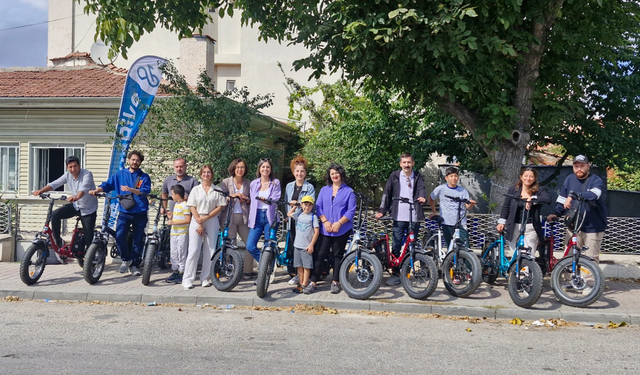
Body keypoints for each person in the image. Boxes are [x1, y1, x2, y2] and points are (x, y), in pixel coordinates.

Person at [90, 150, 151, 276]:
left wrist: (133, 190)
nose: (135, 162)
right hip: (124, 211)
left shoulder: (144, 177)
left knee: (137, 240)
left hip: (140, 212)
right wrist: (97, 190)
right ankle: (126, 259)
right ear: (129, 160)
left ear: (140, 162)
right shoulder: (120, 175)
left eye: (137, 160)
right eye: (133, 159)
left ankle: (134, 265)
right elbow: (107, 185)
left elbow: (145, 190)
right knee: (119, 235)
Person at [32, 155, 98, 263]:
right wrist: (41, 191)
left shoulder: (87, 174)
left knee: (88, 238)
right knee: (55, 214)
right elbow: (54, 184)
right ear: (67, 167)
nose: (73, 169)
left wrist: (76, 197)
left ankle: (91, 258)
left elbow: (84, 188)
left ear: (79, 166)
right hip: (76, 206)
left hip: (88, 208)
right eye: (70, 167)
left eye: (75, 166)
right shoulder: (68, 175)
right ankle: (58, 241)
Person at [375, 153, 427, 286]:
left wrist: (422, 197)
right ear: (400, 164)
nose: (406, 165)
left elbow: (422, 188)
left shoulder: (418, 176)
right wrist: (382, 211)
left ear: (413, 163)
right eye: (404, 162)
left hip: (414, 217)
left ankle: (406, 272)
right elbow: (387, 193)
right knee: (397, 245)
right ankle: (395, 273)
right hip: (398, 216)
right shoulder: (395, 176)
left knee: (412, 245)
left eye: (409, 162)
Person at [305, 163, 356, 295]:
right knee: (320, 254)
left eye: (336, 173)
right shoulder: (324, 190)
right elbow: (318, 207)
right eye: (332, 173)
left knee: (337, 255)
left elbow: (351, 211)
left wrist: (339, 223)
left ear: (341, 174)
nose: (334, 175)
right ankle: (313, 282)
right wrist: (325, 221)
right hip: (325, 229)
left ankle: (335, 282)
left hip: (342, 229)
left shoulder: (349, 191)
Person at [548, 155, 608, 263]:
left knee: (591, 260)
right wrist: (555, 213)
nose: (579, 169)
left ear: (588, 166)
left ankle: (589, 280)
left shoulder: (596, 180)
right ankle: (567, 280)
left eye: (582, 166)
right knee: (568, 258)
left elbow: (595, 194)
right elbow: (562, 200)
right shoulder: (569, 179)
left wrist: (573, 195)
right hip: (573, 226)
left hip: (593, 227)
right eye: (576, 166)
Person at [182, 165, 227, 290]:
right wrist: (200, 222)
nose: (206, 174)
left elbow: (220, 207)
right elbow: (192, 206)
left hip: (211, 220)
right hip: (197, 220)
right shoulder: (196, 190)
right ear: (201, 175)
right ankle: (188, 279)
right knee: (194, 250)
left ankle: (206, 278)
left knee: (210, 250)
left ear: (211, 175)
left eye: (209, 172)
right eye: (204, 172)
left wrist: (206, 218)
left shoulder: (217, 189)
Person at [496, 167, 551, 254]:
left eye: (531, 176)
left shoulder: (538, 190)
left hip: (531, 227)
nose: (528, 179)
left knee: (528, 255)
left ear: (535, 178)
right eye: (525, 176)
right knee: (515, 255)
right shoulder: (513, 190)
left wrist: (532, 198)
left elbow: (547, 199)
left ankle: (528, 267)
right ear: (521, 177)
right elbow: (506, 207)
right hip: (514, 226)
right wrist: (501, 222)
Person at [219, 158, 254, 278]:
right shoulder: (225, 182)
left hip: (244, 217)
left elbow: (252, 201)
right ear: (233, 168)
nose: (240, 169)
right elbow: (221, 199)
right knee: (231, 245)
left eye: (242, 167)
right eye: (238, 167)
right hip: (229, 218)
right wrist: (231, 197)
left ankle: (247, 271)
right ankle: (232, 271)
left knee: (250, 244)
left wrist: (246, 199)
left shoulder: (248, 183)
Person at [284, 155, 316, 286]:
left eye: (302, 171)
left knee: (304, 250)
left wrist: (297, 204)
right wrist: (288, 215)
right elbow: (286, 203)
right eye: (297, 171)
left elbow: (309, 206)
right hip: (292, 221)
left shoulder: (310, 187)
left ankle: (304, 277)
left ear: (305, 173)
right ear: (293, 172)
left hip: (304, 223)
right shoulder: (289, 186)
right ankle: (296, 274)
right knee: (294, 248)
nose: (299, 173)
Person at [428, 166, 476, 248]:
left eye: (455, 176)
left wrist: (471, 204)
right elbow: (431, 198)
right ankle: (449, 261)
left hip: (460, 223)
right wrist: (434, 212)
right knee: (449, 247)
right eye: (451, 176)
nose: (454, 178)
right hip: (446, 222)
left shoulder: (463, 191)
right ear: (446, 178)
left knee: (465, 247)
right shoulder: (441, 189)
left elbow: (467, 207)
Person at [246, 158, 281, 265]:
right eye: (263, 167)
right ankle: (266, 265)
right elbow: (251, 199)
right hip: (256, 216)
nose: (265, 169)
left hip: (270, 216)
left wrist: (266, 200)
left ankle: (267, 270)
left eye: (268, 167)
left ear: (271, 169)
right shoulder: (253, 183)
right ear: (259, 169)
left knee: (269, 246)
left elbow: (276, 197)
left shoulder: (275, 183)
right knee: (250, 246)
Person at [287, 195, 319, 293]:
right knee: (299, 266)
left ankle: (305, 284)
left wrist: (311, 245)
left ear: (312, 206)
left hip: (306, 247)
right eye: (305, 205)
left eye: (309, 205)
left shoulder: (313, 217)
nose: (307, 207)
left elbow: (316, 231)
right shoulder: (299, 215)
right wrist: (295, 206)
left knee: (306, 266)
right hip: (297, 245)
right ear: (302, 205)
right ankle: (300, 283)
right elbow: (289, 214)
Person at [165, 185, 191, 283]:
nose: (171, 196)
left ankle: (181, 272)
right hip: (174, 233)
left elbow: (188, 220)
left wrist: (173, 222)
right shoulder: (176, 205)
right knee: (174, 253)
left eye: (172, 194)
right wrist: (171, 218)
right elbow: (177, 219)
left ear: (177, 195)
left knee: (181, 253)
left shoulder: (185, 205)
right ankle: (175, 270)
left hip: (182, 234)